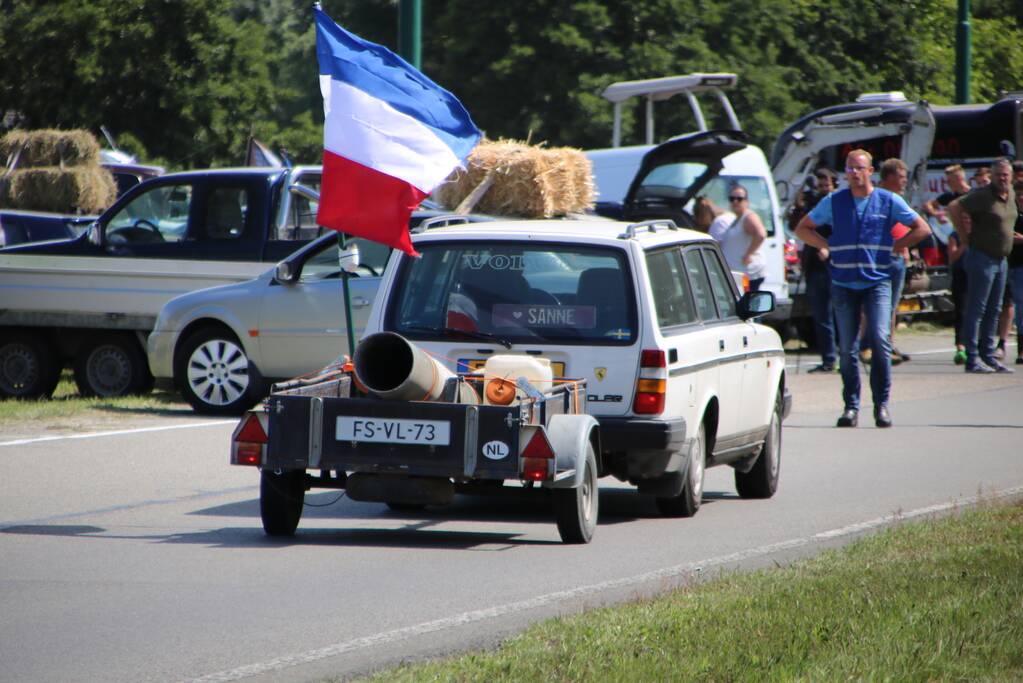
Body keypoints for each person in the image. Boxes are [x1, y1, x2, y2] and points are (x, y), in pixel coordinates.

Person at [794, 149, 930, 428]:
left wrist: (896, 247)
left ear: (870, 172)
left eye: (859, 168)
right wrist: (826, 245)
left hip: (877, 281)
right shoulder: (834, 201)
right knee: (847, 349)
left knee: (880, 342)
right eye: (850, 168)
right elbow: (803, 228)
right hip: (843, 283)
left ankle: (881, 405)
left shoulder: (887, 200)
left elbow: (922, 228)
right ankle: (851, 407)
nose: (853, 173)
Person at [948, 157, 1018, 373]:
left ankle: (989, 355)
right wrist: (965, 237)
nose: (1002, 178)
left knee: (994, 309)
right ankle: (972, 357)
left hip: (1001, 259)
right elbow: (954, 207)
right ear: (992, 176)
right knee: (977, 308)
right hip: (982, 258)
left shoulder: (1011, 194)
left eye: (1006, 174)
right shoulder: (982, 196)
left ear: (1011, 176)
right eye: (998, 174)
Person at [927, 164, 972, 363]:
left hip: (977, 243)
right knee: (960, 301)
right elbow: (929, 205)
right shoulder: (949, 196)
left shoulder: (973, 195)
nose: (948, 184)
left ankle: (977, 343)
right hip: (959, 242)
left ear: (959, 178)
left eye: (950, 180)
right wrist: (937, 214)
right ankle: (960, 345)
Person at [795, 168, 839, 373]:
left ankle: (845, 356)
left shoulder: (838, 205)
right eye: (820, 186)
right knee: (821, 316)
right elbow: (797, 224)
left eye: (826, 186)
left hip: (832, 266)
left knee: (840, 314)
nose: (823, 190)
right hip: (813, 267)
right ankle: (828, 359)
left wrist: (828, 249)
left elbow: (840, 232)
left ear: (834, 185)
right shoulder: (814, 205)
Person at [709, 184, 768, 290]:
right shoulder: (736, 218)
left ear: (746, 201)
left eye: (739, 199)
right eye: (732, 199)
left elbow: (761, 234)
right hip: (738, 276)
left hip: (748, 276)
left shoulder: (749, 217)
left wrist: (748, 254)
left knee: (747, 304)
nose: (735, 202)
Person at [1008, 182, 1023, 364]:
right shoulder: (1012, 216)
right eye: (1018, 195)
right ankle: (1021, 350)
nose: (1020, 198)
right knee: (1020, 307)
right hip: (1015, 266)